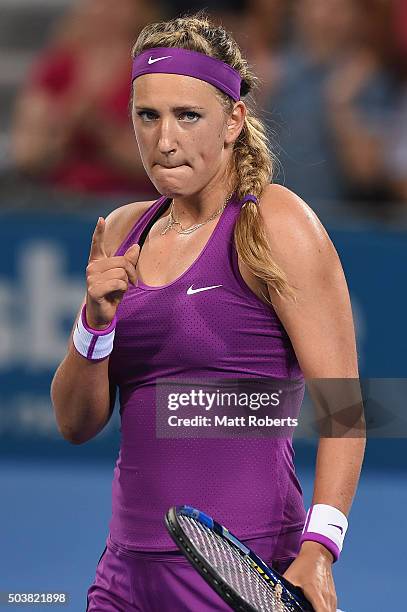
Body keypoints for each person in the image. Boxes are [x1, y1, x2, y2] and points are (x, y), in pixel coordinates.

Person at [50, 12, 366, 612]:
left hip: (244, 571)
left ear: (234, 121)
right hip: (122, 576)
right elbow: (74, 423)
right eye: (148, 115)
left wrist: (321, 547)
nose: (165, 140)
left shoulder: (278, 224)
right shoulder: (121, 231)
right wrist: (94, 325)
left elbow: (344, 409)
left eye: (188, 116)